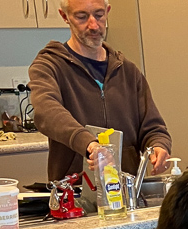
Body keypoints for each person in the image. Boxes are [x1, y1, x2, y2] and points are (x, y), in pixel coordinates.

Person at [29, 0, 171, 181]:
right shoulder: (49, 65)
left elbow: (152, 127)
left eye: (99, 15)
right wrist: (88, 143)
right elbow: (47, 112)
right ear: (65, 16)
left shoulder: (128, 71)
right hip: (73, 190)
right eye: (82, 17)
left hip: (125, 189)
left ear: (107, 11)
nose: (94, 25)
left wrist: (159, 145)